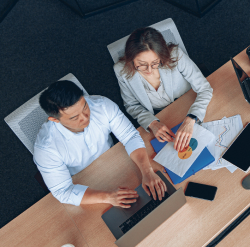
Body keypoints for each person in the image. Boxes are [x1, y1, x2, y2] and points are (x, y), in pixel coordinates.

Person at [34, 80, 167, 207]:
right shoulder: (45, 149)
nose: (85, 117)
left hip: (116, 161)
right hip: (84, 183)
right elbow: (63, 191)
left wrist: (147, 172)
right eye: (75, 117)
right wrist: (107, 197)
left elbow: (130, 136)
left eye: (84, 107)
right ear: (54, 119)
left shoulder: (102, 105)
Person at [114, 27, 213, 152]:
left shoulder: (175, 55)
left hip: (191, 104)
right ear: (131, 58)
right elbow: (131, 105)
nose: (149, 70)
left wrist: (191, 119)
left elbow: (205, 89)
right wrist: (152, 123)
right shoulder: (121, 70)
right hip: (163, 117)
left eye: (155, 63)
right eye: (142, 64)